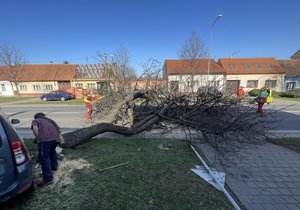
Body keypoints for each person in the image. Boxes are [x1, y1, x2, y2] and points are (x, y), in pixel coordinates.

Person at [31, 112, 61, 187]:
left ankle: (48, 179)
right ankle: (54, 167)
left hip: (45, 141)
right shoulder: (50, 120)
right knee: (52, 152)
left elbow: (35, 128)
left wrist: (38, 138)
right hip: (56, 140)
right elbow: (59, 130)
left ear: (36, 117)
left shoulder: (36, 121)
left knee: (45, 158)